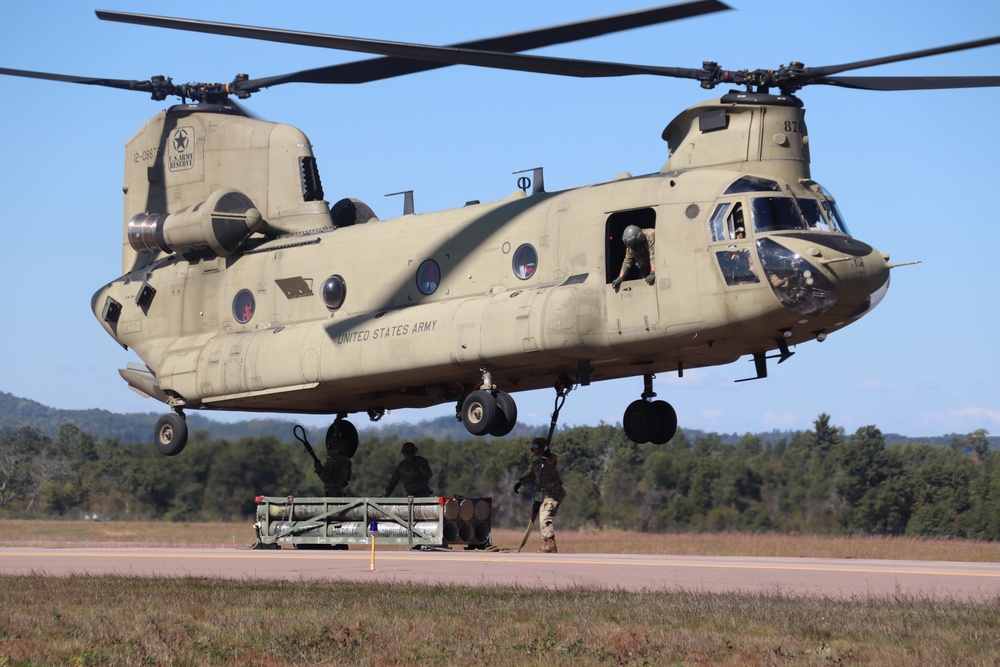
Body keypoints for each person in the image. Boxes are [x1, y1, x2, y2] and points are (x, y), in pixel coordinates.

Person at [513, 437, 567, 553]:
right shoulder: (537, 464)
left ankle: (550, 544)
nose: (533, 450)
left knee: (544, 514)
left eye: (535, 447)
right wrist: (520, 483)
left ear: (542, 448)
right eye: (531, 448)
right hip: (547, 493)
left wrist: (547, 455)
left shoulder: (550, 459)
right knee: (543, 515)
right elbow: (532, 476)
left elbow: (551, 460)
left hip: (555, 493)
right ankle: (549, 544)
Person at [611, 225, 655, 292]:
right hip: (645, 265)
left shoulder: (651, 235)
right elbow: (627, 261)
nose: (634, 248)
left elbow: (653, 255)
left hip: (656, 264)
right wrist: (620, 278)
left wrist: (652, 272)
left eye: (635, 246)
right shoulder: (631, 245)